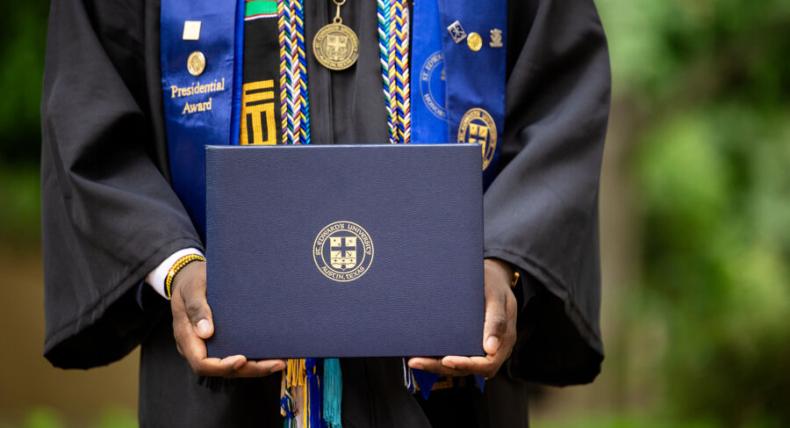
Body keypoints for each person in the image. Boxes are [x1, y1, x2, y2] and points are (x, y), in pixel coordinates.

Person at [41, 0, 610, 426]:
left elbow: (561, 103)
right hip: (228, 393)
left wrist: (500, 260)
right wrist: (174, 263)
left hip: (448, 393)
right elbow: (89, 106)